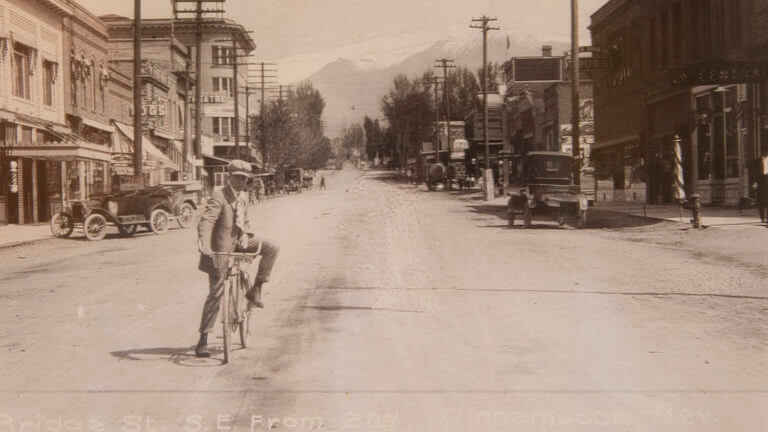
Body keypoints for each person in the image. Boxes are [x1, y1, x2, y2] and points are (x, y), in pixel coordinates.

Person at [194, 160, 280, 358]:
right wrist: (204, 245)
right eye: (239, 177)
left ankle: (255, 289)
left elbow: (246, 221)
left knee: (271, 247)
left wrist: (246, 233)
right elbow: (206, 221)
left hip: (240, 243)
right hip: (221, 248)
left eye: (245, 178)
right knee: (215, 293)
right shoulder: (219, 196)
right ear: (229, 176)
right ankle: (203, 339)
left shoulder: (245, 196)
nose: (243, 182)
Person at [752, 146, 768, 224]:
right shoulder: (757, 161)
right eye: (763, 151)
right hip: (760, 181)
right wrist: (755, 182)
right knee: (761, 201)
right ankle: (763, 218)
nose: (765, 153)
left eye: (766, 151)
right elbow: (754, 173)